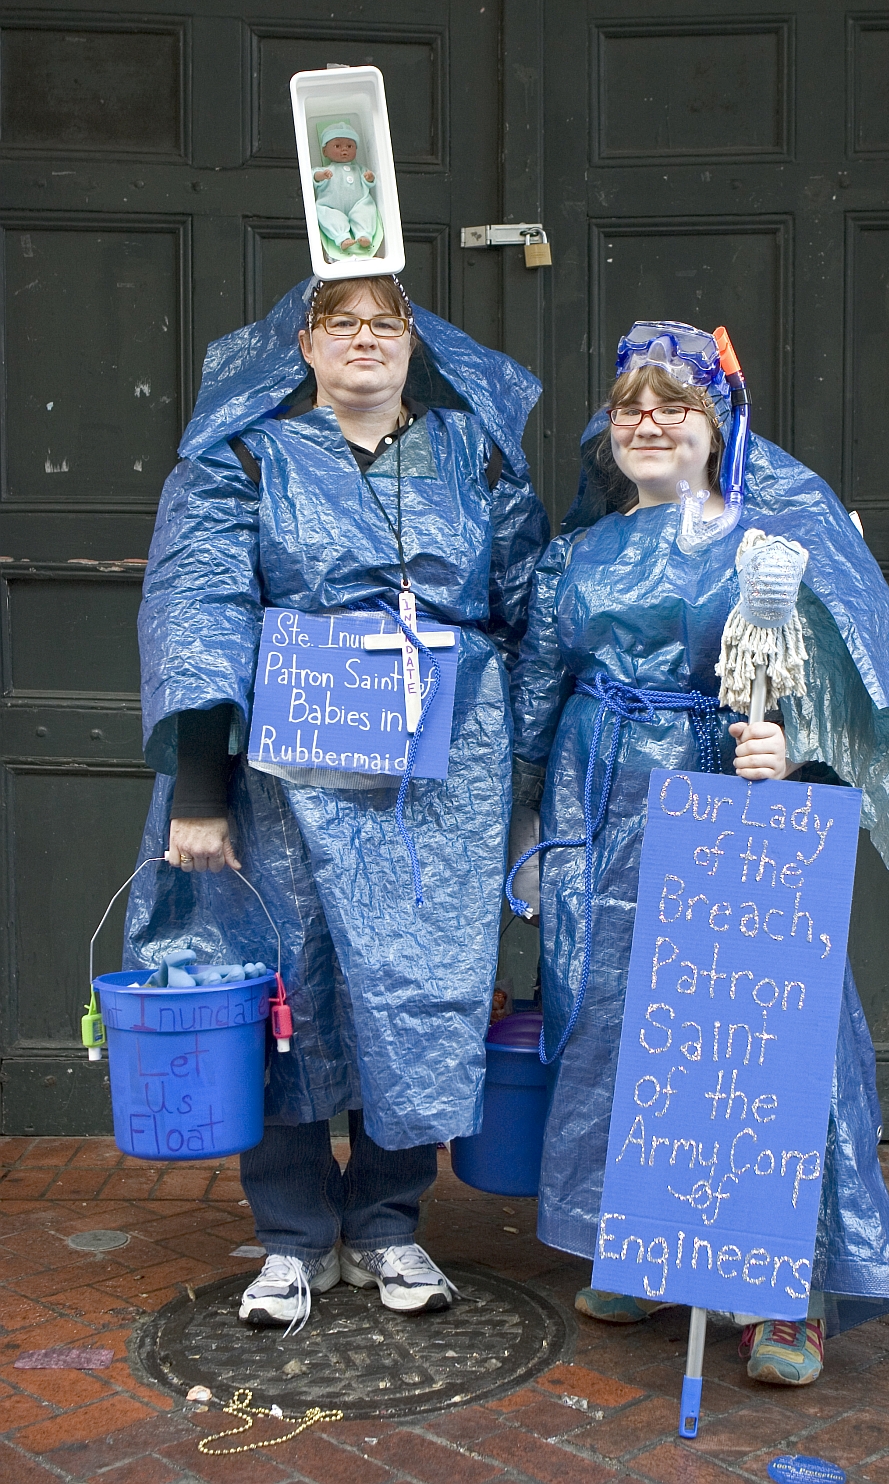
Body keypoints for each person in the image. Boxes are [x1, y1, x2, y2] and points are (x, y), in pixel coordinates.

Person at [509, 320, 889, 1386]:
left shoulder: (769, 551)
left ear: (718, 425)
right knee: (613, 1017)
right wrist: (525, 825)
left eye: (676, 403)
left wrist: (787, 742)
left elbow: (821, 688)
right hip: (598, 805)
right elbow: (534, 693)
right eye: (630, 404)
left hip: (724, 805)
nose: (650, 420)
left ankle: (780, 1292)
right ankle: (653, 1241)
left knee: (760, 1033)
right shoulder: (574, 555)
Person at [125, 273, 549, 1328]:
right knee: (288, 995)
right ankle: (293, 1238)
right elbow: (199, 614)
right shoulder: (244, 460)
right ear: (302, 345)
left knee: (422, 987)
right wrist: (200, 790)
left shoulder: (475, 453)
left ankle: (391, 1225)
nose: (363, 341)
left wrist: (536, 780)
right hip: (283, 774)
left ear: (415, 343)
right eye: (339, 324)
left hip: (438, 775)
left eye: (384, 324)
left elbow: (536, 605)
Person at [313, 123, 380, 257]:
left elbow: (369, 182)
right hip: (332, 206)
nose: (344, 150)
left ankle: (364, 234)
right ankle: (342, 237)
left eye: (350, 146)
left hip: (358, 203)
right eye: (337, 146)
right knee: (327, 214)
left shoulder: (359, 169)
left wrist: (370, 178)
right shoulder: (325, 170)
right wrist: (321, 176)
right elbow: (313, 178)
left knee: (366, 211)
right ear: (324, 151)